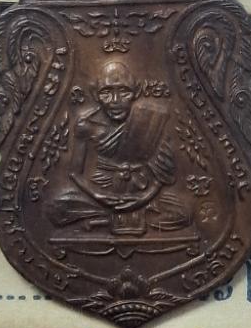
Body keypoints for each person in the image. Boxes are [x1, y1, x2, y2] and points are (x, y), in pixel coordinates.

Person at [47, 60, 188, 235]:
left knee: (184, 212)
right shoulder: (86, 124)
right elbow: (75, 173)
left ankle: (108, 218)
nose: (115, 100)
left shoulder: (151, 119)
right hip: (100, 192)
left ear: (136, 91)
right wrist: (98, 196)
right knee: (56, 208)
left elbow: (163, 175)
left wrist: (143, 199)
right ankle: (118, 215)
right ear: (95, 94)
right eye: (106, 92)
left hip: (142, 191)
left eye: (124, 91)